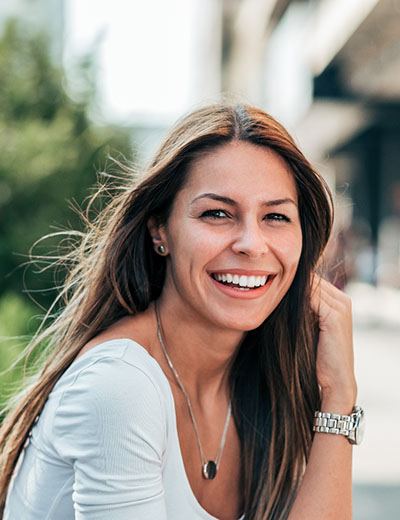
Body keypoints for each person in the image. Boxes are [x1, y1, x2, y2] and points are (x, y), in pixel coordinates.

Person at [0, 103, 364, 519]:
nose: (252, 243)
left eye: (276, 216)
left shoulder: (261, 379)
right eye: (217, 213)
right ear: (161, 231)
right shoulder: (120, 385)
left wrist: (339, 396)